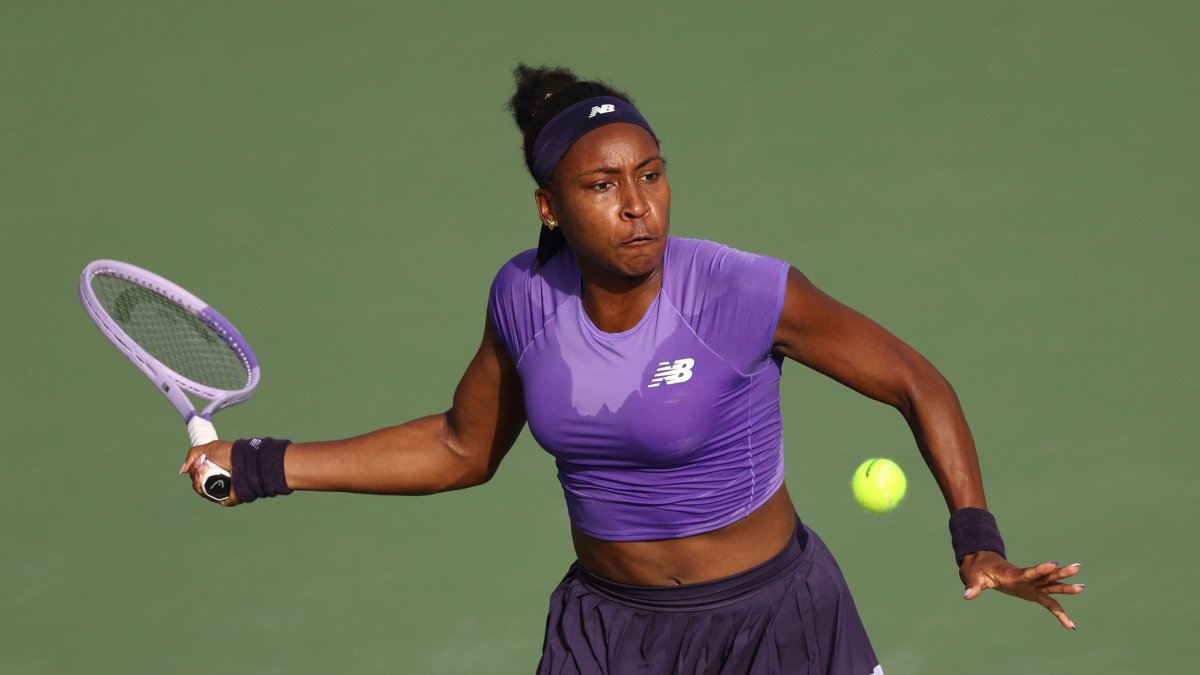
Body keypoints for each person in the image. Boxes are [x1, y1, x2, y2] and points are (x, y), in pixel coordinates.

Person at [181, 64, 1085, 674]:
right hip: (608, 632)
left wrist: (977, 536)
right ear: (548, 205)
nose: (639, 207)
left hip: (776, 626)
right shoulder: (524, 298)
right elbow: (463, 445)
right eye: (603, 186)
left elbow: (915, 382)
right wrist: (261, 465)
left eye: (650, 175)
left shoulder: (740, 290)